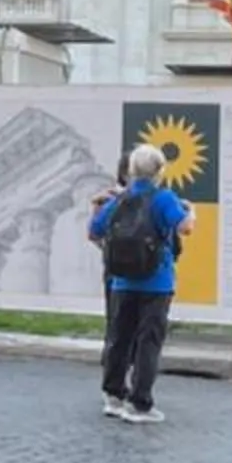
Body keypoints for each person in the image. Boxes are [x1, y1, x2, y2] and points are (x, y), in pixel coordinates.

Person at [87, 142, 189, 424]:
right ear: (160, 171)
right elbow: (185, 227)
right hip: (157, 282)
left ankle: (113, 396)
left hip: (122, 282)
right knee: (148, 341)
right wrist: (191, 212)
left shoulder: (117, 200)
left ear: (130, 171)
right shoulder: (164, 198)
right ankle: (140, 404)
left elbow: (94, 232)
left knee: (119, 339)